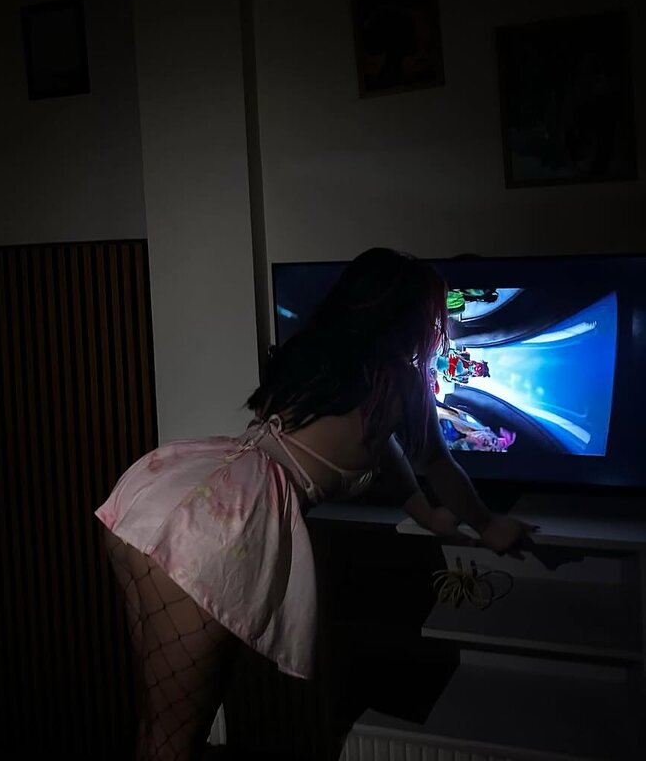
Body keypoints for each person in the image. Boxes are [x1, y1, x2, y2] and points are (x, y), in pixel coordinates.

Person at [95, 248, 535, 761]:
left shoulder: (313, 356)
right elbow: (437, 464)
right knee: (175, 738)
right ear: (409, 318)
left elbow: (384, 447)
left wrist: (423, 512)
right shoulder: (397, 382)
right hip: (207, 535)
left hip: (158, 494)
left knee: (159, 722)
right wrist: (487, 524)